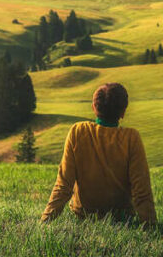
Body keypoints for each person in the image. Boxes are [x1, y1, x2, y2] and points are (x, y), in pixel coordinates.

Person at [40, 82, 156, 225]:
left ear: (94, 108)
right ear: (123, 112)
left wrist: (45, 221)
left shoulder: (78, 132)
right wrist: (151, 225)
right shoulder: (131, 138)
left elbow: (63, 184)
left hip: (83, 215)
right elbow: (141, 189)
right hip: (122, 218)